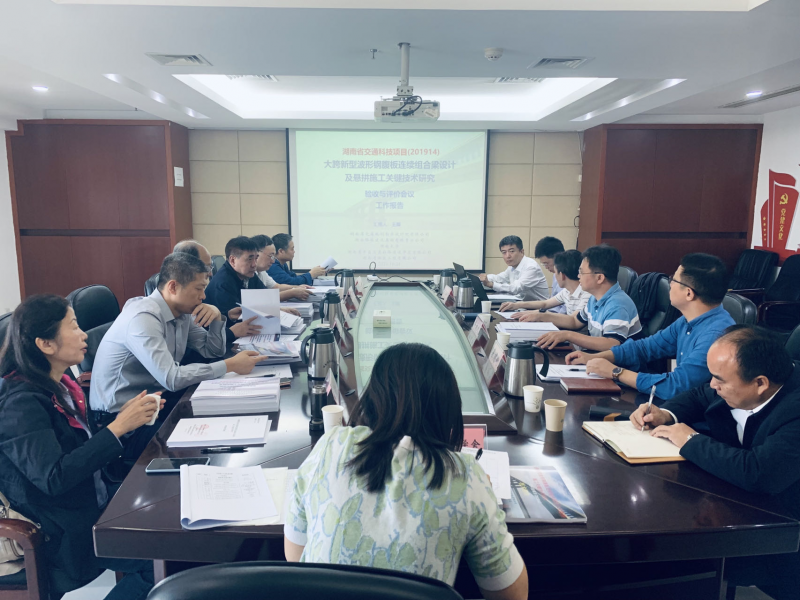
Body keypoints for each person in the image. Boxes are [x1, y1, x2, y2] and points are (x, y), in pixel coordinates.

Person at [284, 343, 528, 600]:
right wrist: (483, 493)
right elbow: (514, 595)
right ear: (447, 411)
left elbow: (296, 555)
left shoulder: (331, 445)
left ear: (372, 398)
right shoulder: (465, 477)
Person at [0, 294, 160, 599]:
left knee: (167, 513)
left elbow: (81, 446)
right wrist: (116, 428)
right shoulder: (19, 405)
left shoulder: (60, 385)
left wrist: (128, 423)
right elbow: (54, 478)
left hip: (93, 502)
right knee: (163, 557)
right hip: (61, 531)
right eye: (73, 327)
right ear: (46, 344)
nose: (84, 334)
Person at [630, 326, 800, 599]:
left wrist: (691, 440)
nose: (712, 385)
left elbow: (759, 473)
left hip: (782, 528)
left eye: (719, 380)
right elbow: (700, 395)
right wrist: (665, 413)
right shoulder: (742, 382)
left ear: (760, 383)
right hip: (736, 502)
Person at [89, 252, 266, 462]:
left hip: (155, 402)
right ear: (173, 287)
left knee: (224, 415)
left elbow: (212, 351)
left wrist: (218, 317)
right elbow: (171, 378)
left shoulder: (181, 312)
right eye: (199, 289)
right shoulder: (143, 318)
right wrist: (230, 365)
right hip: (121, 421)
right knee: (201, 447)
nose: (203, 296)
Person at [567, 254, 734, 398]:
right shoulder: (688, 320)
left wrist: (615, 372)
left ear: (688, 293)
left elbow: (675, 386)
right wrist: (597, 358)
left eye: (673, 280)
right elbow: (645, 347)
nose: (670, 284)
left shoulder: (716, 336)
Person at [535, 244, 641, 351]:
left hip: (620, 361)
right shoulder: (594, 299)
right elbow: (575, 321)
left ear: (599, 278)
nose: (578, 276)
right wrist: (540, 316)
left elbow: (610, 344)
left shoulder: (618, 305)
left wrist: (568, 335)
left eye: (581, 272)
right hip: (599, 356)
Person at [499, 250, 590, 318]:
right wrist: (517, 305)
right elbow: (545, 304)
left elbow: (573, 320)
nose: (554, 276)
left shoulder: (586, 294)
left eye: (555, 272)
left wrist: (540, 315)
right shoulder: (566, 292)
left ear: (562, 275)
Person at [479, 235, 548, 302]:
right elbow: (499, 278)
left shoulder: (531, 267)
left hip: (539, 307)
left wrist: (491, 284)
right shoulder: (512, 266)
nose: (507, 256)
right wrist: (482, 278)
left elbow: (516, 288)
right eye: (504, 252)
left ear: (522, 252)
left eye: (511, 251)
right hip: (522, 305)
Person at [251, 234, 312, 302]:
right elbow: (260, 298)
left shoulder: (262, 272)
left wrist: (296, 287)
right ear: (256, 253)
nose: (273, 261)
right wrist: (292, 293)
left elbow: (276, 287)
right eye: (270, 256)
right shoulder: (249, 273)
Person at [534, 236, 567, 313]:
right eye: (543, 264)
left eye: (546, 263)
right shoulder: (555, 275)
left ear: (557, 257)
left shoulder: (569, 277)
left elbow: (564, 312)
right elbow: (550, 303)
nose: (546, 267)